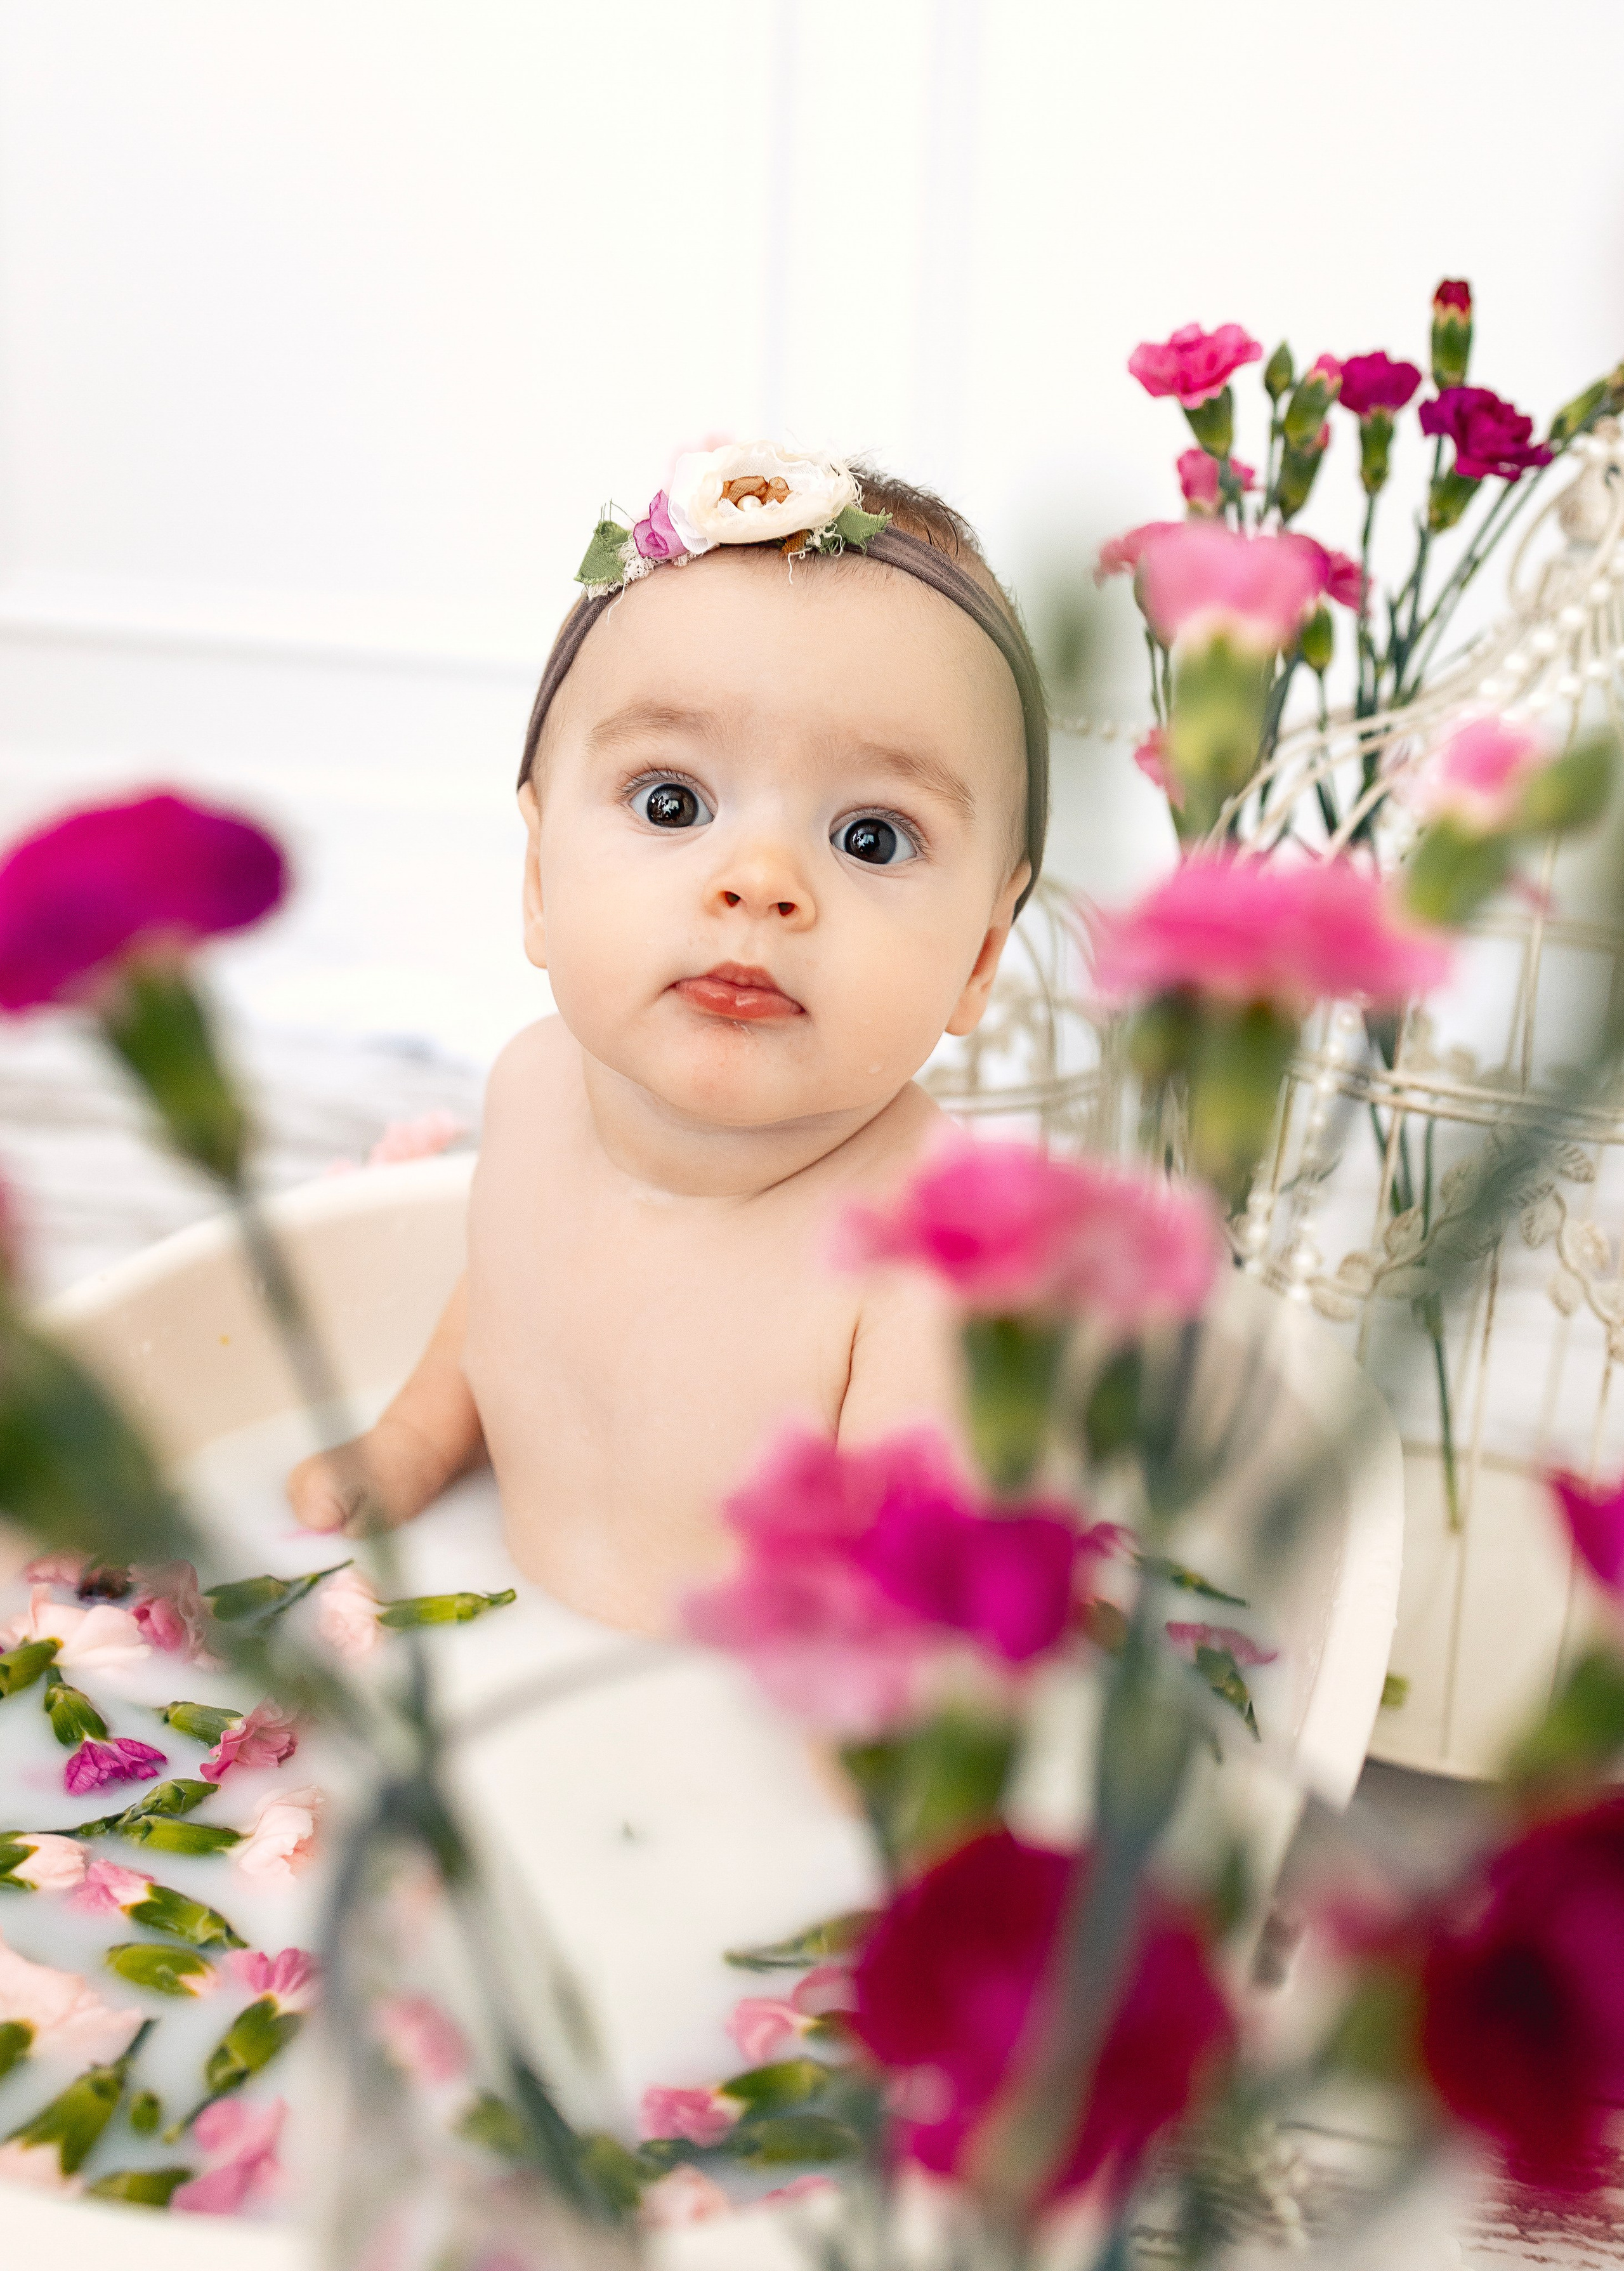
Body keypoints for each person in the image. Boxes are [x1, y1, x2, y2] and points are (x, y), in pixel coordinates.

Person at [288, 441, 1049, 1632]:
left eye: (871, 838)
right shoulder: (533, 1087)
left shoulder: (931, 1245)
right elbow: (497, 1301)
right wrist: (410, 1442)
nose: (760, 881)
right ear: (540, 878)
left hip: (746, 1718)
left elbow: (921, 1577)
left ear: (982, 956)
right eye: (672, 802)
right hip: (510, 1647)